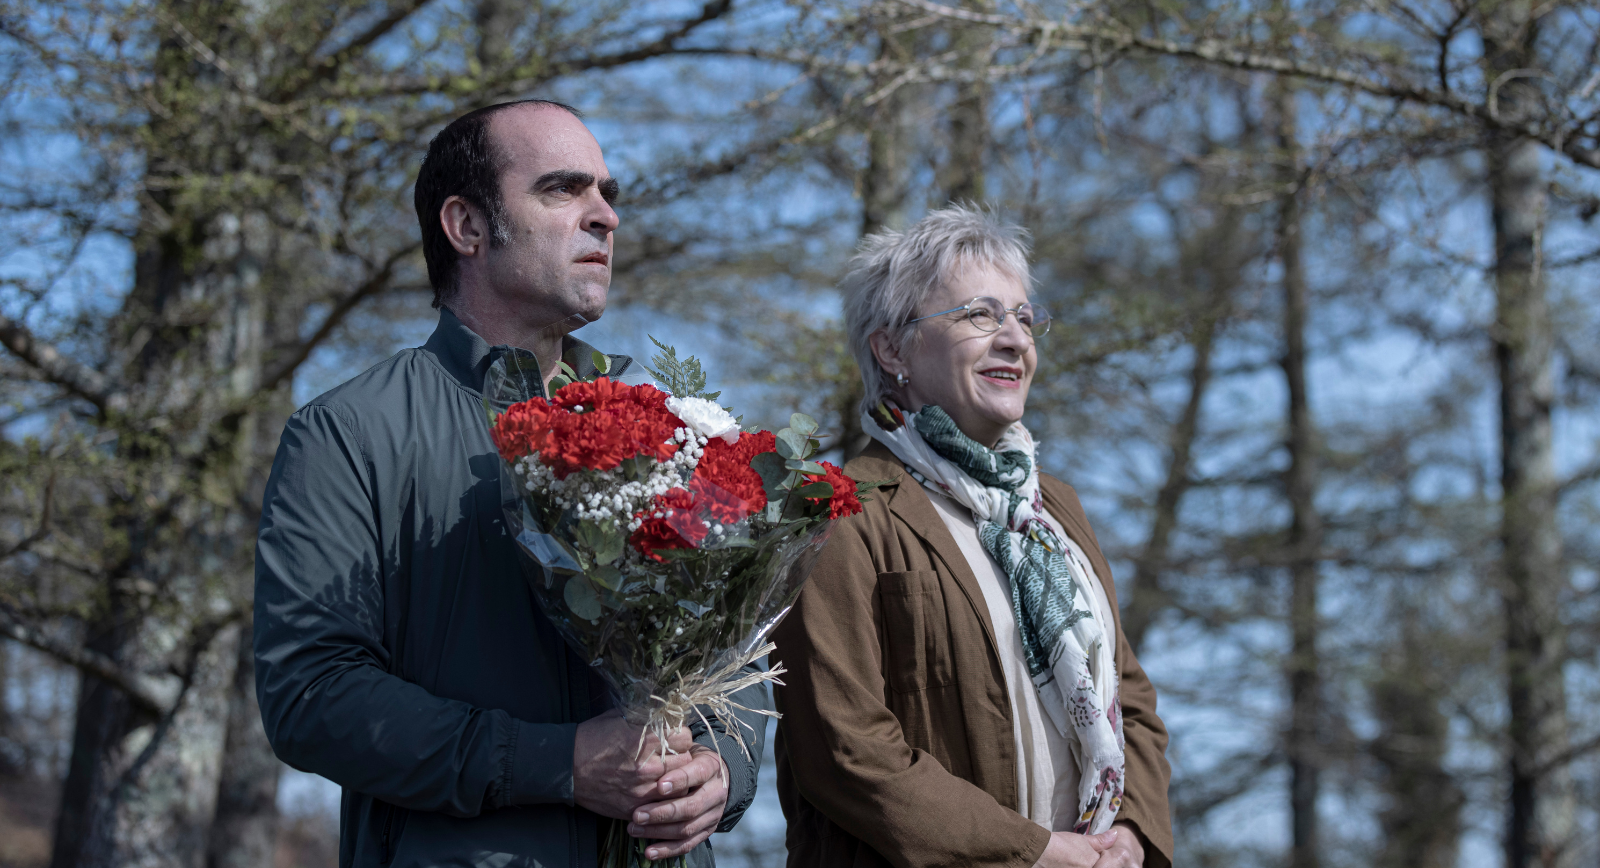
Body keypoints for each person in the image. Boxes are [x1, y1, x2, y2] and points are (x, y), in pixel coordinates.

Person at [253, 99, 765, 868]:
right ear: (467, 227)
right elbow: (312, 695)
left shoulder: (674, 430)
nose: (605, 218)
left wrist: (725, 766)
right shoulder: (347, 434)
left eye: (608, 194)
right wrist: (553, 764)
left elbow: (741, 645)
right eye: (563, 190)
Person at [771, 205, 1173, 868]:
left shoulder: (1056, 509)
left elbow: (1129, 700)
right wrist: (1035, 853)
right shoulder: (839, 511)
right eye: (980, 315)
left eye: (1023, 316)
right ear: (892, 348)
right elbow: (847, 751)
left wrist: (1129, 835)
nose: (1015, 339)